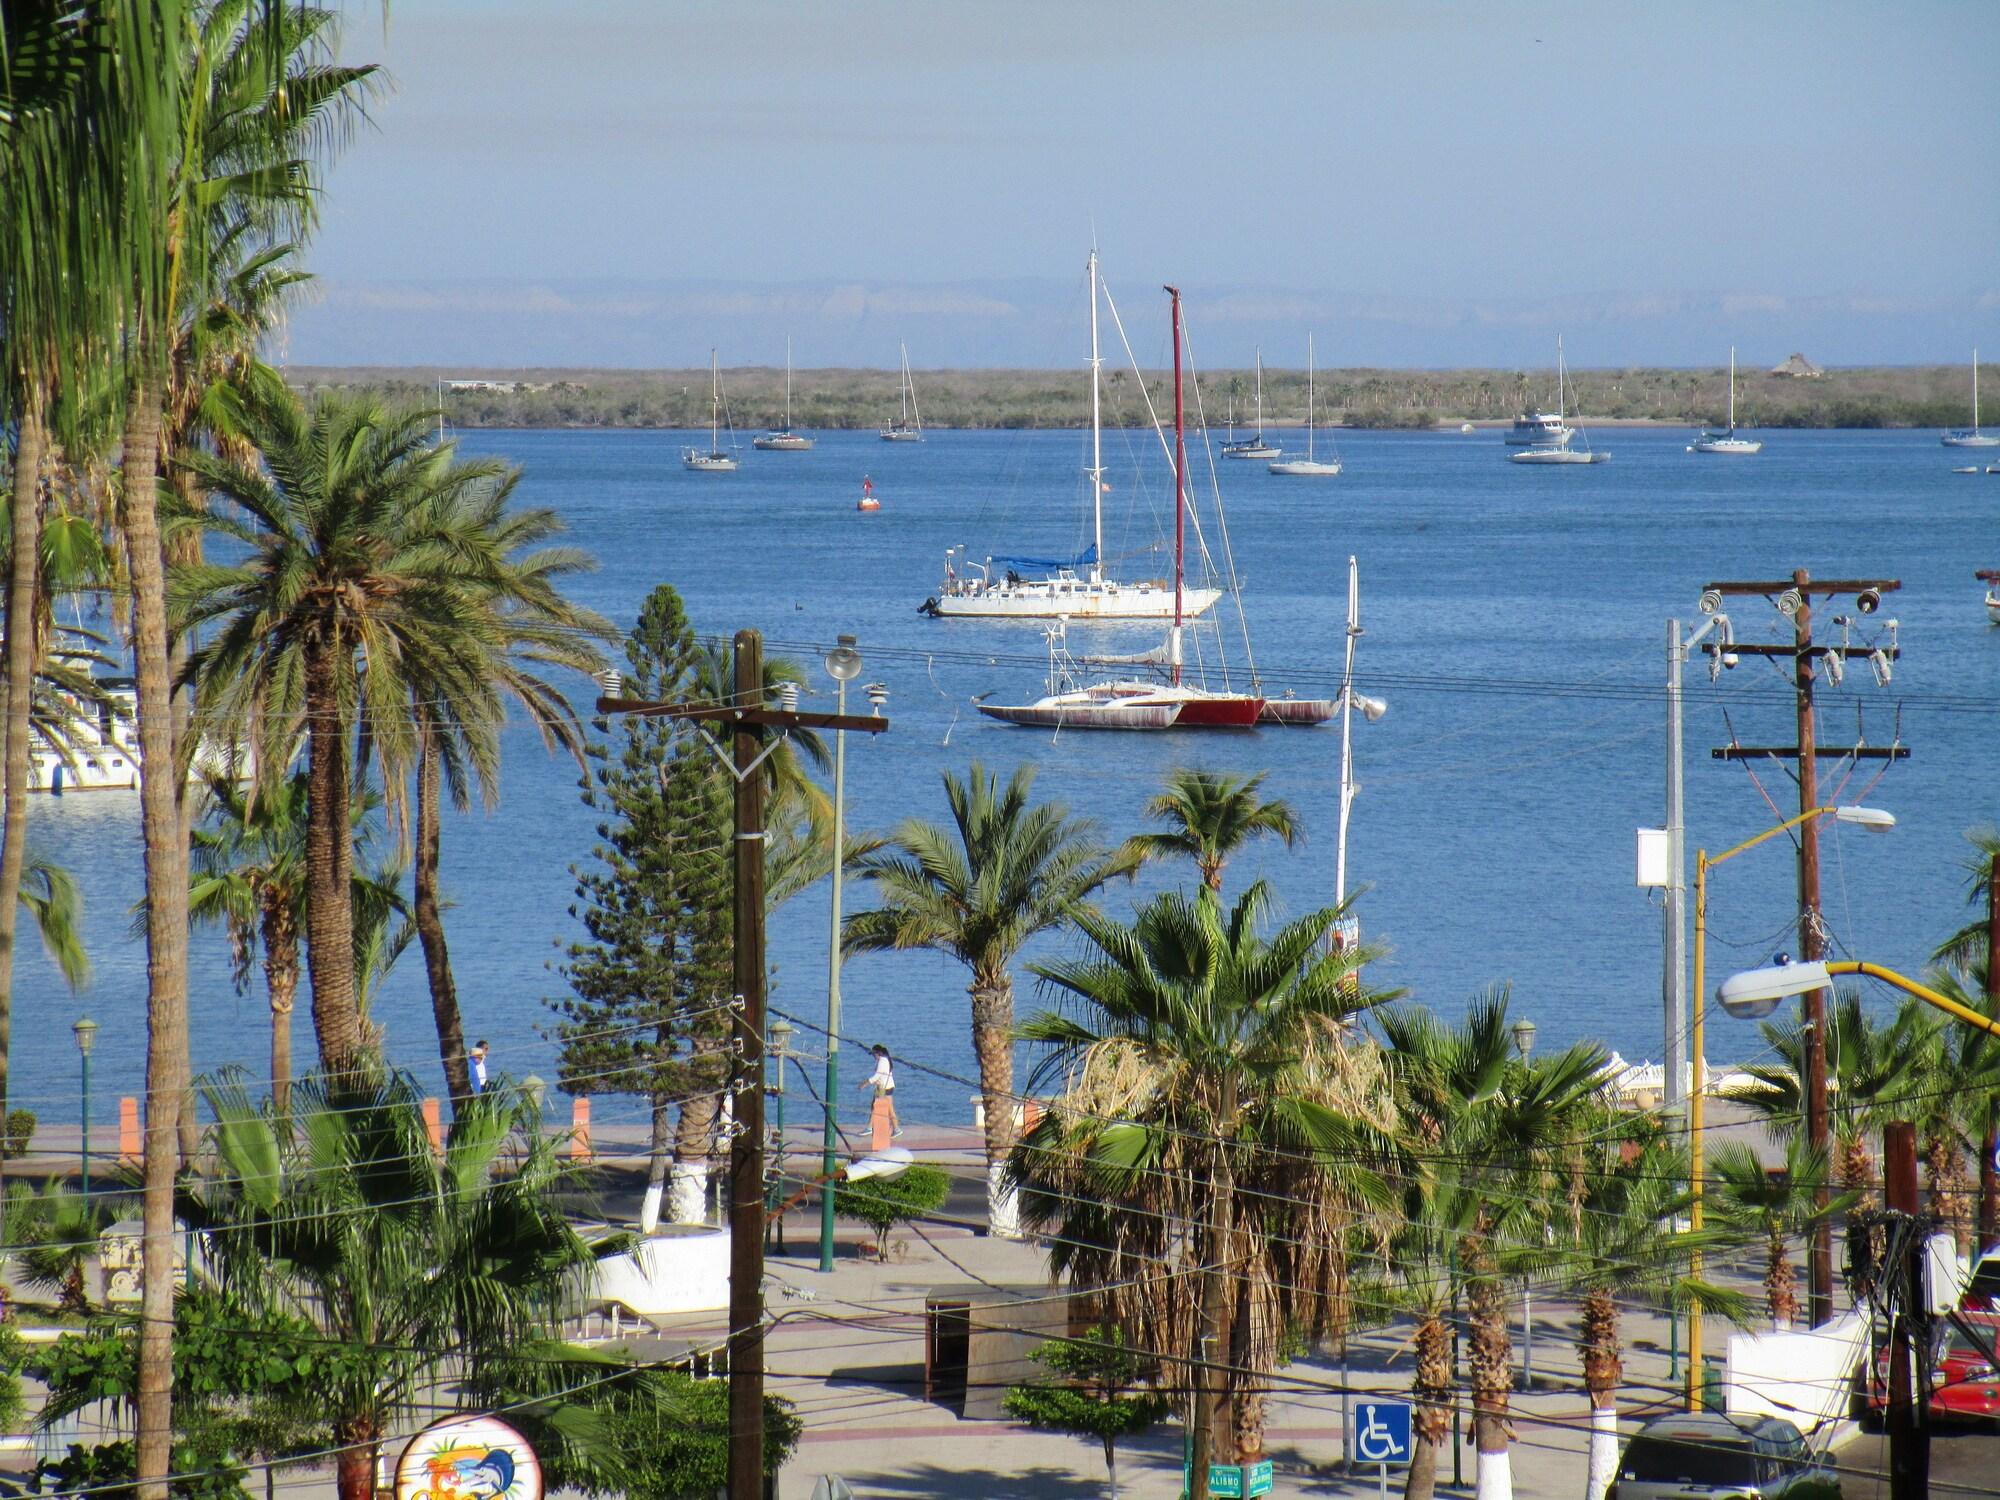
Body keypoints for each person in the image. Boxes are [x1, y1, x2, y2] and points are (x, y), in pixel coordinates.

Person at [859, 1043, 902, 1138]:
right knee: (887, 1108)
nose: (873, 1057)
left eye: (874, 1054)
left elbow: (877, 1076)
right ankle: (896, 1129)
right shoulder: (885, 1060)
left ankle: (870, 1127)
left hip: (884, 1088)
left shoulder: (883, 1061)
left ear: (878, 1053)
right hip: (886, 1087)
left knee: (877, 1107)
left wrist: (864, 1084)